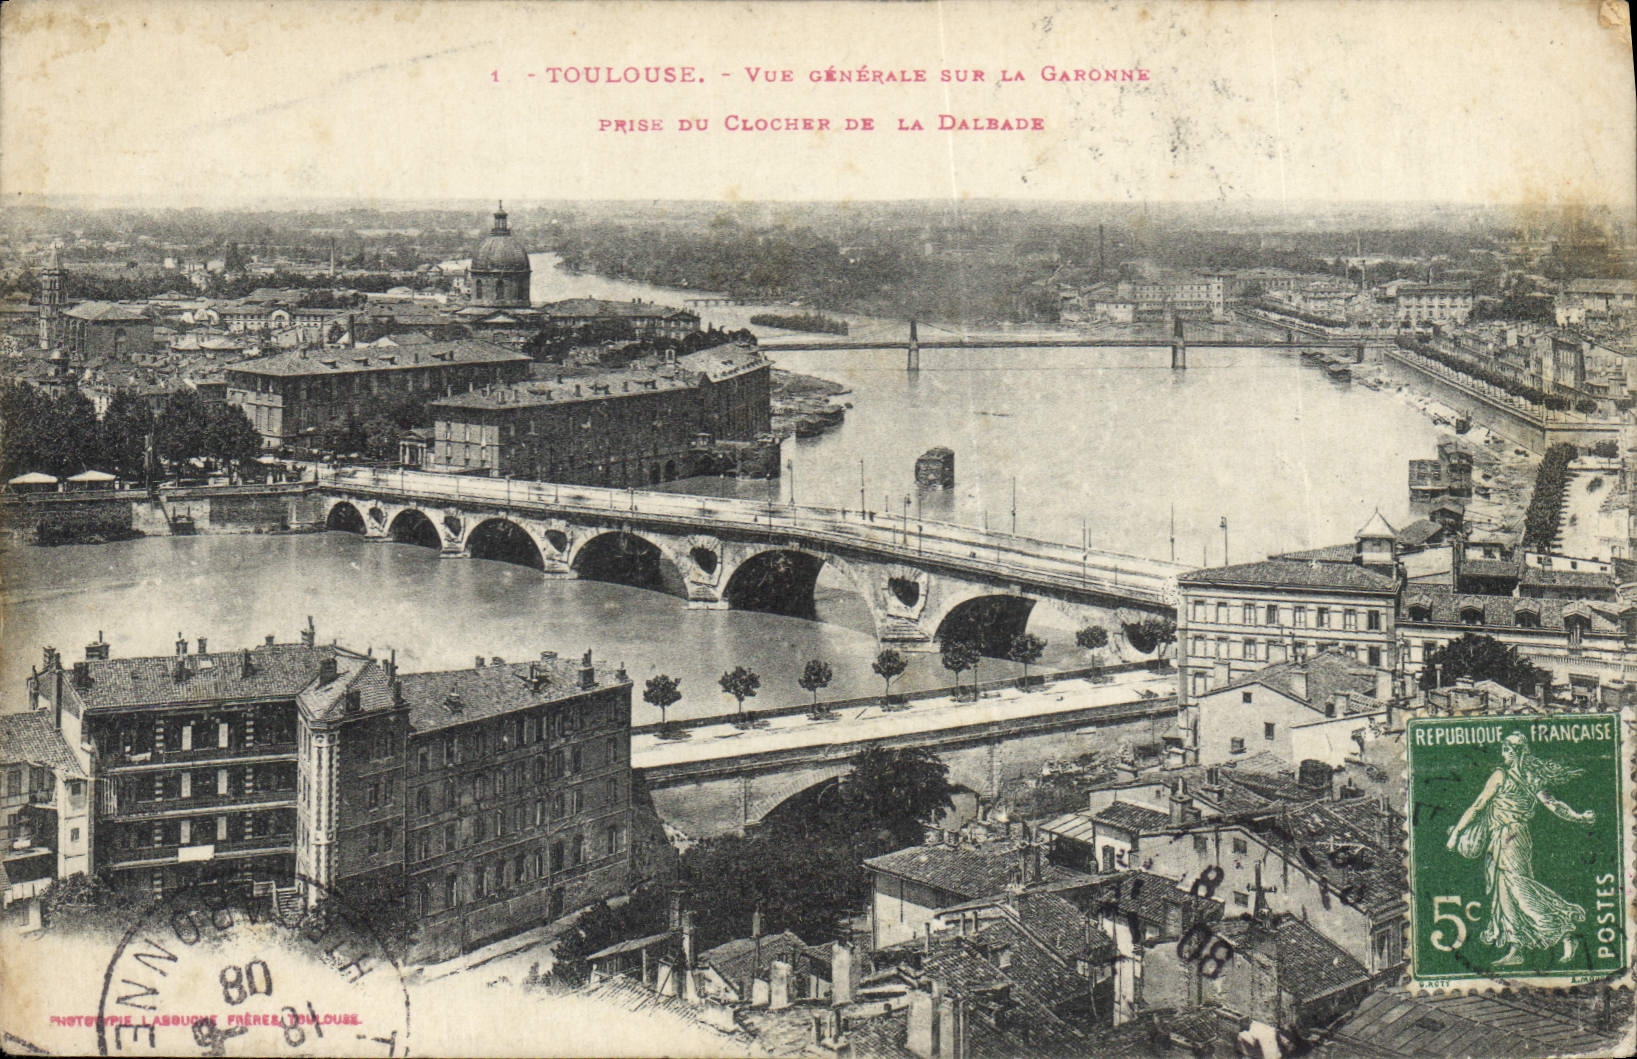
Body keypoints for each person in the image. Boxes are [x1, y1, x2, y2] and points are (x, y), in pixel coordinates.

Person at [1446, 733, 1593, 966]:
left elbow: (1477, 806)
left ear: (1512, 752)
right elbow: (1554, 806)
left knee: (1519, 889)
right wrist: (1579, 817)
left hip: (1509, 837)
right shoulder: (1531, 777)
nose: (1502, 754)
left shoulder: (1500, 775)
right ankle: (1517, 948)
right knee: (1504, 893)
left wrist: (1455, 834)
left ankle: (1564, 929)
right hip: (1511, 837)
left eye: (1505, 750)